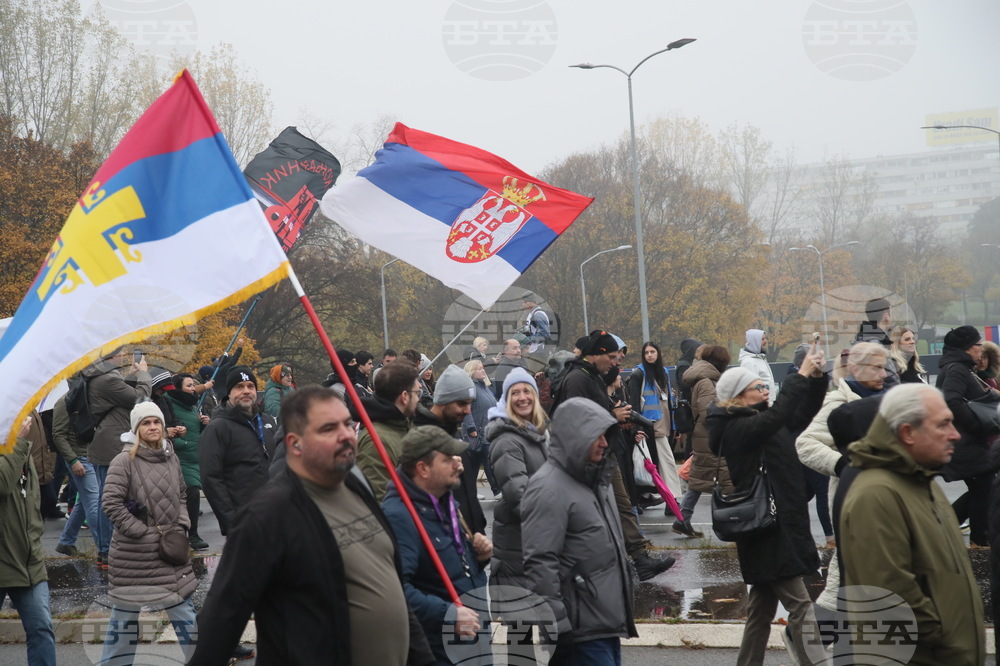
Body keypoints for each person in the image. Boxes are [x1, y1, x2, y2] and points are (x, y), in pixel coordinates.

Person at [190, 386, 433, 666]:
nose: (345, 434)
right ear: (295, 444)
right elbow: (221, 620)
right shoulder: (267, 515)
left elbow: (394, 592)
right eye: (329, 428)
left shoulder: (356, 485)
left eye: (346, 423)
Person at [840, 383, 985, 665]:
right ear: (907, 432)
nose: (955, 435)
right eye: (943, 425)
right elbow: (889, 596)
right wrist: (945, 639)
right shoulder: (876, 494)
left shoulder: (923, 482)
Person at [707, 348, 829, 666]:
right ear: (737, 397)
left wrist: (815, 380)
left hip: (774, 526)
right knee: (801, 606)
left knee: (760, 612)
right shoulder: (737, 428)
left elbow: (799, 415)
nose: (764, 390)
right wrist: (800, 374)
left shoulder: (760, 421)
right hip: (768, 531)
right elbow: (781, 414)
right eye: (757, 387)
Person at [521, 397, 637, 664]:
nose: (605, 443)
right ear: (575, 437)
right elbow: (540, 563)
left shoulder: (597, 479)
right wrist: (557, 627)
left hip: (604, 624)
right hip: (578, 631)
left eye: (606, 435)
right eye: (597, 436)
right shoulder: (547, 488)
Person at [551, 329, 673, 581]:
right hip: (588, 456)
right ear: (597, 354)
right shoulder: (577, 378)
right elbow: (575, 419)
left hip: (603, 450)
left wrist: (618, 419)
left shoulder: (592, 376)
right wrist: (612, 417)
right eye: (613, 357)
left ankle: (637, 560)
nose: (616, 363)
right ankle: (602, 565)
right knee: (601, 512)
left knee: (621, 507)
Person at [381, 426, 493, 665]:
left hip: (473, 641)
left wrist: (479, 558)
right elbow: (396, 591)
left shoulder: (444, 500)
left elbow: (454, 568)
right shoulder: (400, 516)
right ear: (423, 469)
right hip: (442, 650)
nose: (457, 463)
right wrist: (449, 614)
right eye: (447, 460)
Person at [795, 342, 889, 617]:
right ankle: (815, 636)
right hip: (856, 502)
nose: (883, 374)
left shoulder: (886, 398)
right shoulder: (839, 402)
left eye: (885, 368)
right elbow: (805, 443)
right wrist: (846, 466)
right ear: (856, 369)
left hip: (882, 500)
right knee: (846, 570)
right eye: (877, 368)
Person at [101, 402, 198, 665]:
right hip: (133, 557)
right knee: (124, 623)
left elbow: (181, 494)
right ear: (136, 429)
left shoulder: (171, 455)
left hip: (169, 551)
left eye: (156, 422)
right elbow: (111, 503)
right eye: (146, 423)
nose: (153, 427)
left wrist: (181, 525)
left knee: (185, 615)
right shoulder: (124, 461)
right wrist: (140, 532)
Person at [85, 347, 152, 570]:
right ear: (111, 356)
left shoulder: (101, 376)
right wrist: (143, 374)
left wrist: (131, 376)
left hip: (107, 442)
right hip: (111, 446)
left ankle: (107, 551)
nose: (125, 357)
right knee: (111, 500)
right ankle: (107, 552)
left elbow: (117, 395)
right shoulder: (105, 380)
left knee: (110, 497)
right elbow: (139, 399)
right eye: (121, 353)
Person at [485, 368, 549, 597]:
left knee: (547, 622)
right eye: (515, 392)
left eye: (526, 391)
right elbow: (519, 495)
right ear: (506, 399)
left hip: (534, 545)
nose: (522, 397)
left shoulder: (536, 434)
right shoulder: (507, 441)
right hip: (518, 548)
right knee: (521, 627)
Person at [0, 415, 56, 666]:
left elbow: (30, 502)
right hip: (2, 559)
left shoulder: (21, 451)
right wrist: (19, 443)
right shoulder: (18, 447)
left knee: (42, 629)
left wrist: (34, 540)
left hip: (29, 560)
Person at [199, 366, 278, 537]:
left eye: (250, 386)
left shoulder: (267, 421)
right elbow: (211, 479)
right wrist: (231, 522)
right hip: (244, 522)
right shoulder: (217, 428)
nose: (246, 391)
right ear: (229, 392)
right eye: (239, 387)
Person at [936, 325, 996, 547]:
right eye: (978, 344)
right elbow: (951, 400)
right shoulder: (957, 370)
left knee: (983, 488)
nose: (982, 349)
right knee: (985, 489)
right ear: (967, 348)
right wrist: (977, 424)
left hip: (968, 442)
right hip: (966, 442)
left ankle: (942, 530)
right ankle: (980, 542)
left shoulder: (962, 368)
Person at [413, 365, 486, 536]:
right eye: (461, 403)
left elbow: (469, 496)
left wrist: (478, 529)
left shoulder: (454, 438)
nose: (468, 411)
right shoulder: (422, 440)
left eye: (470, 404)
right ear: (443, 401)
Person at [676, 344, 733, 538]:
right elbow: (710, 413)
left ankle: (682, 519)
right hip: (711, 437)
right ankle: (733, 522)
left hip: (704, 436)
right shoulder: (707, 382)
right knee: (726, 479)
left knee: (699, 480)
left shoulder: (704, 379)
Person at [354, 360, 421, 501]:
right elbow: (380, 501)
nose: (418, 400)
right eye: (417, 393)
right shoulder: (376, 441)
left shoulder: (407, 427)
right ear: (404, 396)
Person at [626, 341, 682, 500]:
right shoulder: (639, 374)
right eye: (646, 353)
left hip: (665, 425)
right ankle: (673, 499)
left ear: (658, 354)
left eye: (652, 352)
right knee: (666, 464)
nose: (649, 355)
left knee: (655, 465)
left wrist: (674, 425)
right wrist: (638, 428)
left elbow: (669, 401)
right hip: (651, 427)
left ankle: (650, 496)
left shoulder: (663, 373)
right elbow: (635, 403)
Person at [165, 373, 211, 551]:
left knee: (190, 495)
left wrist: (203, 423)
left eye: (194, 385)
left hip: (195, 459)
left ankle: (187, 534)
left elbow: (194, 430)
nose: (193, 389)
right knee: (191, 493)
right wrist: (182, 443)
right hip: (181, 459)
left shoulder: (191, 406)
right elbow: (166, 433)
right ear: (178, 389)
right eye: (189, 386)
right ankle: (192, 535)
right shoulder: (170, 406)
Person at [52, 393, 99, 558]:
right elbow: (58, 435)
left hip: (90, 456)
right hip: (79, 458)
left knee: (83, 502)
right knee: (94, 502)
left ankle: (66, 542)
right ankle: (105, 549)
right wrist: (73, 460)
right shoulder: (64, 402)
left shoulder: (86, 397)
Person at [462, 359, 500, 497]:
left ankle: (473, 492)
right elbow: (466, 408)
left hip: (487, 431)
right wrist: (471, 428)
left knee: (478, 463)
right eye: (479, 368)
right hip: (477, 433)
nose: (483, 370)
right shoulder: (470, 388)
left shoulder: (484, 387)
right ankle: (496, 490)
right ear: (472, 371)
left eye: (483, 368)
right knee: (484, 462)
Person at [738, 329, 775, 405]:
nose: (765, 341)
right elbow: (750, 388)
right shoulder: (749, 362)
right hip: (761, 408)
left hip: (767, 406)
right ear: (754, 342)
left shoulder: (759, 359)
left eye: (765, 338)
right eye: (762, 339)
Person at [520, 290, 551, 356]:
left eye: (525, 302)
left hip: (538, 352)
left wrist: (527, 339)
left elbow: (544, 334)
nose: (523, 305)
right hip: (533, 351)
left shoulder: (538, 314)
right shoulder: (532, 314)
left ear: (532, 302)